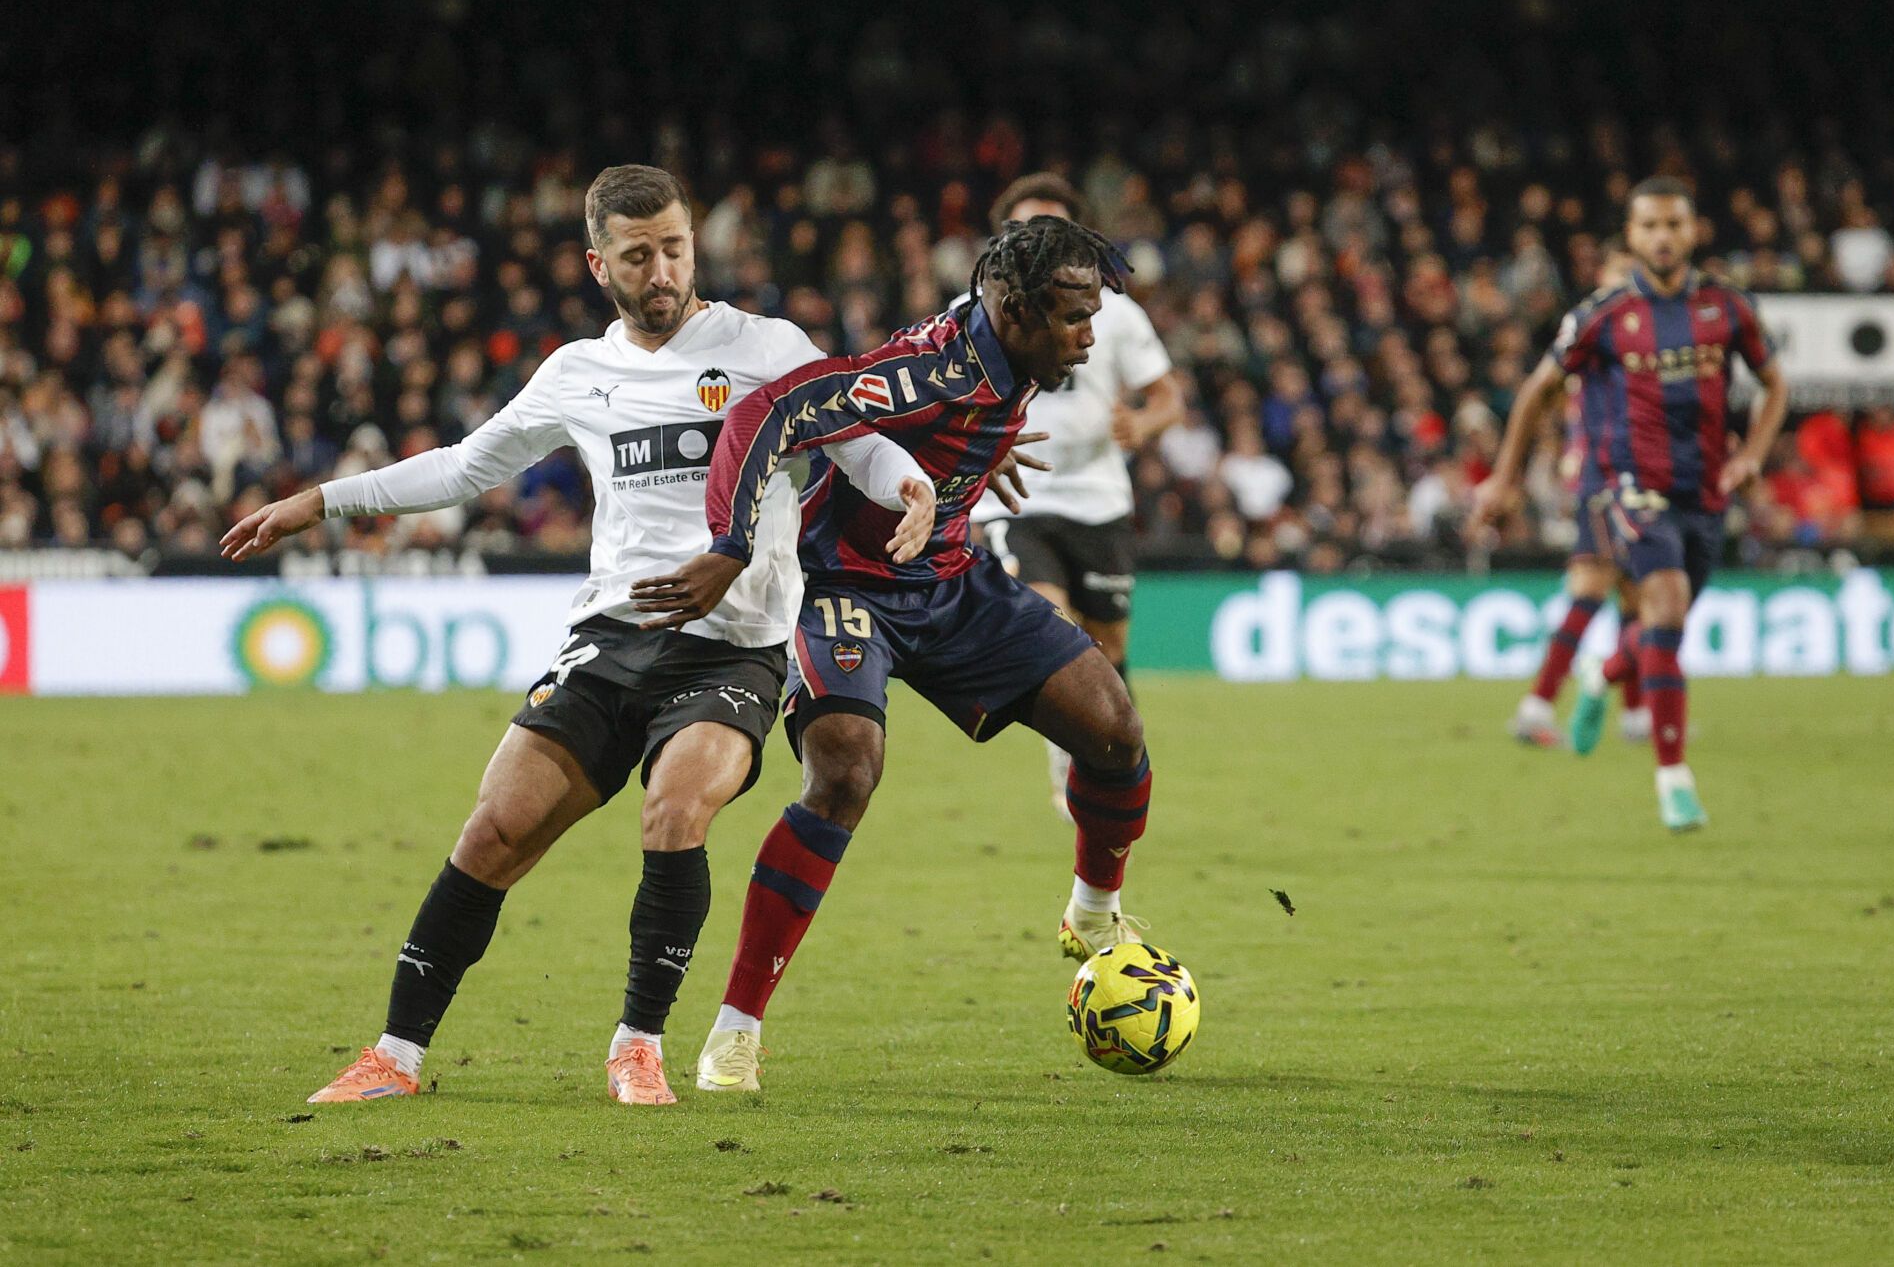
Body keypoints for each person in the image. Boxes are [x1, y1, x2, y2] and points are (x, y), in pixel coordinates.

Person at [220, 165, 935, 1105]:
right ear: (599, 264)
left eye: (674, 247)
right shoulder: (577, 373)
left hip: (733, 647)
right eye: (638, 256)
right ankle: (394, 1055)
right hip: (611, 638)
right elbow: (465, 466)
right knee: (494, 829)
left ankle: (637, 1045)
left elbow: (857, 438)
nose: (663, 270)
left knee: (677, 811)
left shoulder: (764, 348)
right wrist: (322, 500)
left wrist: (911, 485)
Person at [631, 216, 1158, 1093]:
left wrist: (978, 459)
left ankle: (1093, 917)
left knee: (1115, 729)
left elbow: (956, 415)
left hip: (947, 577)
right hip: (847, 585)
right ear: (1017, 310)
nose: (1088, 336)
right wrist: (728, 542)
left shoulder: (1004, 346)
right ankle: (735, 1032)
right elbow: (774, 409)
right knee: (844, 774)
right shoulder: (932, 370)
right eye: (1072, 317)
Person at [1473, 177, 1788, 831]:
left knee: (1660, 631)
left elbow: (1775, 384)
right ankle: (1674, 779)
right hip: (1629, 490)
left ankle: (1601, 673)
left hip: (1705, 493)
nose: (1663, 237)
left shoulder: (1727, 308)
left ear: (1694, 229)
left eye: (1674, 224)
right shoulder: (1605, 313)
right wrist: (1504, 479)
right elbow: (1536, 390)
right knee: (1661, 607)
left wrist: (1752, 452)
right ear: (1632, 234)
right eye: (1649, 226)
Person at [964, 174, 1184, 816]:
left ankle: (1114, 761)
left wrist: (1141, 424)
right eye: (1023, 231)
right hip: (1016, 499)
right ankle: (1069, 769)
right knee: (1052, 628)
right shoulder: (974, 308)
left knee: (1108, 650)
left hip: (1100, 500)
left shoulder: (1116, 312)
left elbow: (1169, 397)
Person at [1510, 245, 1648, 749]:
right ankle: (1538, 705)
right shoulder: (1595, 332)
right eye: (1618, 275)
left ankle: (1636, 715)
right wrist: (1572, 452)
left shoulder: (1641, 339)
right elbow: (1551, 391)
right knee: (1592, 589)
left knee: (1636, 595)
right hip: (1604, 479)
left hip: (1639, 480)